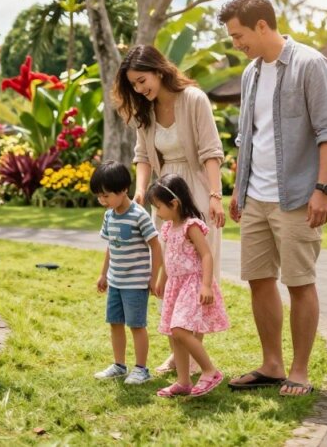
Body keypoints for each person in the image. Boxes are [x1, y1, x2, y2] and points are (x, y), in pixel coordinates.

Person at [220, 0, 327, 397]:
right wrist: (238, 189)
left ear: (261, 25)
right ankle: (271, 364)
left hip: (296, 195)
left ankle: (300, 370)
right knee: (258, 279)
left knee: (299, 282)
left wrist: (322, 190)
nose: (236, 44)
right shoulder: (250, 74)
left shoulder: (310, 64)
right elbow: (248, 138)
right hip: (255, 196)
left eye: (239, 35)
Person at [114, 43, 225, 377]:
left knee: (200, 276)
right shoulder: (144, 113)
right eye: (133, 84)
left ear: (159, 71)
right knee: (175, 274)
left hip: (198, 192)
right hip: (166, 194)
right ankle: (179, 354)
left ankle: (189, 359)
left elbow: (211, 150)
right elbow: (143, 157)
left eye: (142, 80)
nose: (139, 88)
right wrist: (140, 194)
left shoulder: (194, 99)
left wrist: (216, 195)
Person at [146, 174, 230, 398]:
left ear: (174, 203)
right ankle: (183, 382)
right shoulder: (168, 227)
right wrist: (162, 281)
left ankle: (210, 371)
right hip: (176, 285)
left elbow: (206, 256)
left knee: (180, 330)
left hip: (192, 284)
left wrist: (206, 286)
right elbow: (168, 258)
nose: (157, 213)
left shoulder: (191, 226)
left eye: (158, 207)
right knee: (175, 334)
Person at [89, 161, 163, 385]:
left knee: (137, 325)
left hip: (135, 283)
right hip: (116, 281)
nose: (102, 201)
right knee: (115, 322)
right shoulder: (109, 215)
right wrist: (104, 275)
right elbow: (111, 246)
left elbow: (156, 246)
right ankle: (119, 365)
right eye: (99, 197)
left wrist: (153, 277)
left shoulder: (139, 215)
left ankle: (142, 369)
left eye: (106, 196)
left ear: (123, 191)